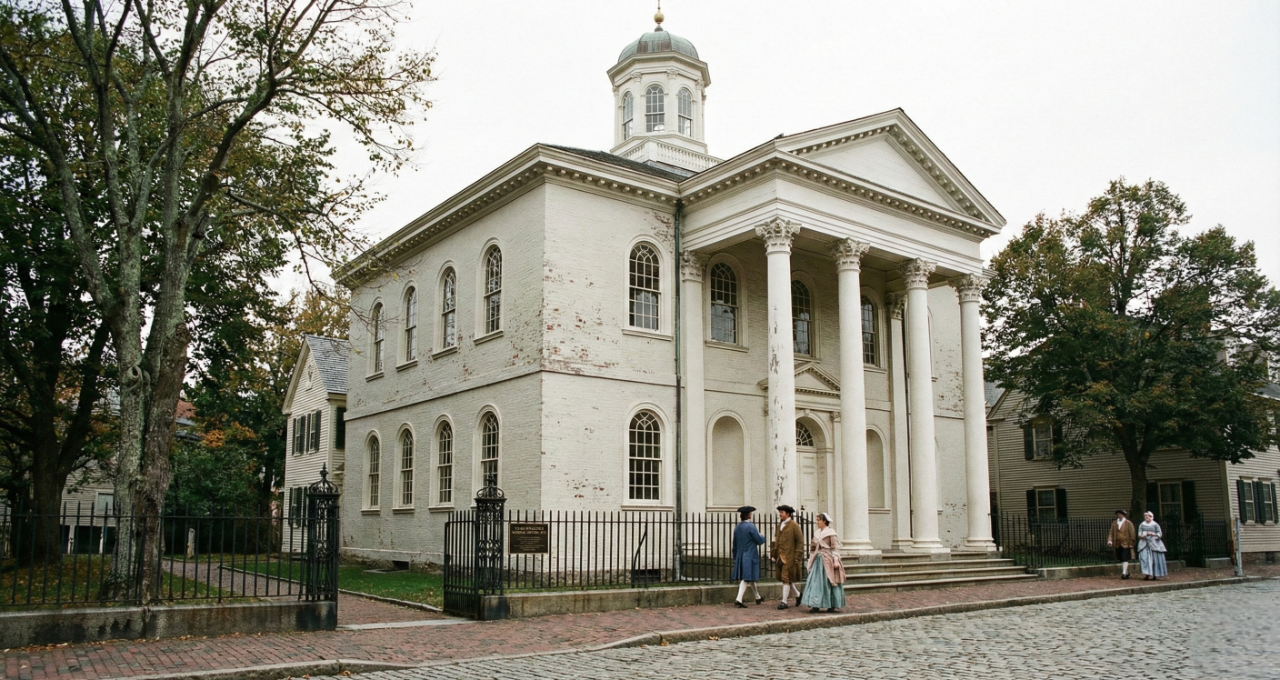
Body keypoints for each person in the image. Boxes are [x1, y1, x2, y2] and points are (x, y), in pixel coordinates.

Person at [800, 512, 846, 613]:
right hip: (818, 561)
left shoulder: (831, 533)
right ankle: (815, 605)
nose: (817, 522)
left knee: (829, 582)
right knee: (816, 582)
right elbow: (812, 548)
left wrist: (835, 560)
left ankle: (832, 604)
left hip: (828, 560)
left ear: (824, 521)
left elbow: (835, 548)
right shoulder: (817, 533)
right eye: (817, 520)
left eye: (818, 520)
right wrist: (811, 559)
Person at [731, 506, 765, 608]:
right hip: (749, 555)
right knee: (746, 578)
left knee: (751, 578)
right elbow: (759, 540)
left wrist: (735, 556)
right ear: (749, 515)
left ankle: (757, 597)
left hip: (740, 554)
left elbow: (734, 543)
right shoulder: (751, 526)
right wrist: (762, 536)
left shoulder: (738, 527)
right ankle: (739, 599)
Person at [770, 504, 804, 609]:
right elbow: (775, 541)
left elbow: (800, 542)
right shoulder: (779, 526)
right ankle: (798, 595)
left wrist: (798, 556)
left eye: (782, 512)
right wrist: (773, 554)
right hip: (780, 556)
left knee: (785, 578)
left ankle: (784, 602)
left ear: (788, 514)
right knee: (786, 578)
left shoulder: (794, 525)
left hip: (790, 557)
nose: (780, 514)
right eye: (779, 512)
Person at [1137, 511, 1168, 580]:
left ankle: (1155, 574)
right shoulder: (1142, 525)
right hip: (1144, 544)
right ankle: (1147, 574)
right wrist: (1142, 536)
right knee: (1145, 559)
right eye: (1145, 516)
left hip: (1154, 544)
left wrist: (1153, 534)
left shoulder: (1155, 524)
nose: (1146, 517)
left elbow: (1160, 534)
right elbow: (1139, 534)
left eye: (1148, 516)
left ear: (1151, 517)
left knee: (1155, 560)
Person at [1107, 509, 1137, 579]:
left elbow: (1132, 533)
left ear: (1123, 515)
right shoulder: (1114, 523)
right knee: (1121, 558)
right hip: (1117, 544)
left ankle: (1123, 573)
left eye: (1120, 514)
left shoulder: (1128, 523)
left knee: (1124, 557)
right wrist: (1110, 541)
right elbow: (1111, 533)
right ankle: (1126, 572)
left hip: (1126, 543)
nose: (1118, 516)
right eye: (1117, 514)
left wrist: (1132, 543)